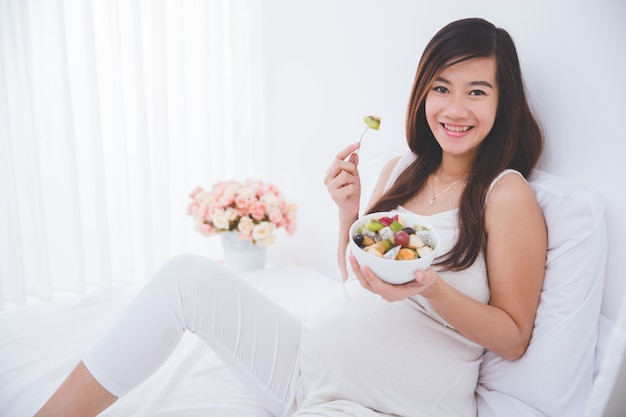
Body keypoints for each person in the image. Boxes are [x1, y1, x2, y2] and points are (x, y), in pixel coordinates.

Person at [34, 17, 547, 417]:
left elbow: (513, 336)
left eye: (477, 91)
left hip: (382, 405)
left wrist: (430, 288)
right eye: (442, 87)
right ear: (422, 93)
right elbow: (358, 277)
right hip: (305, 361)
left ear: (503, 102)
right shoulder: (401, 170)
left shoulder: (506, 195)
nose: (455, 108)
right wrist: (349, 213)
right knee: (183, 278)